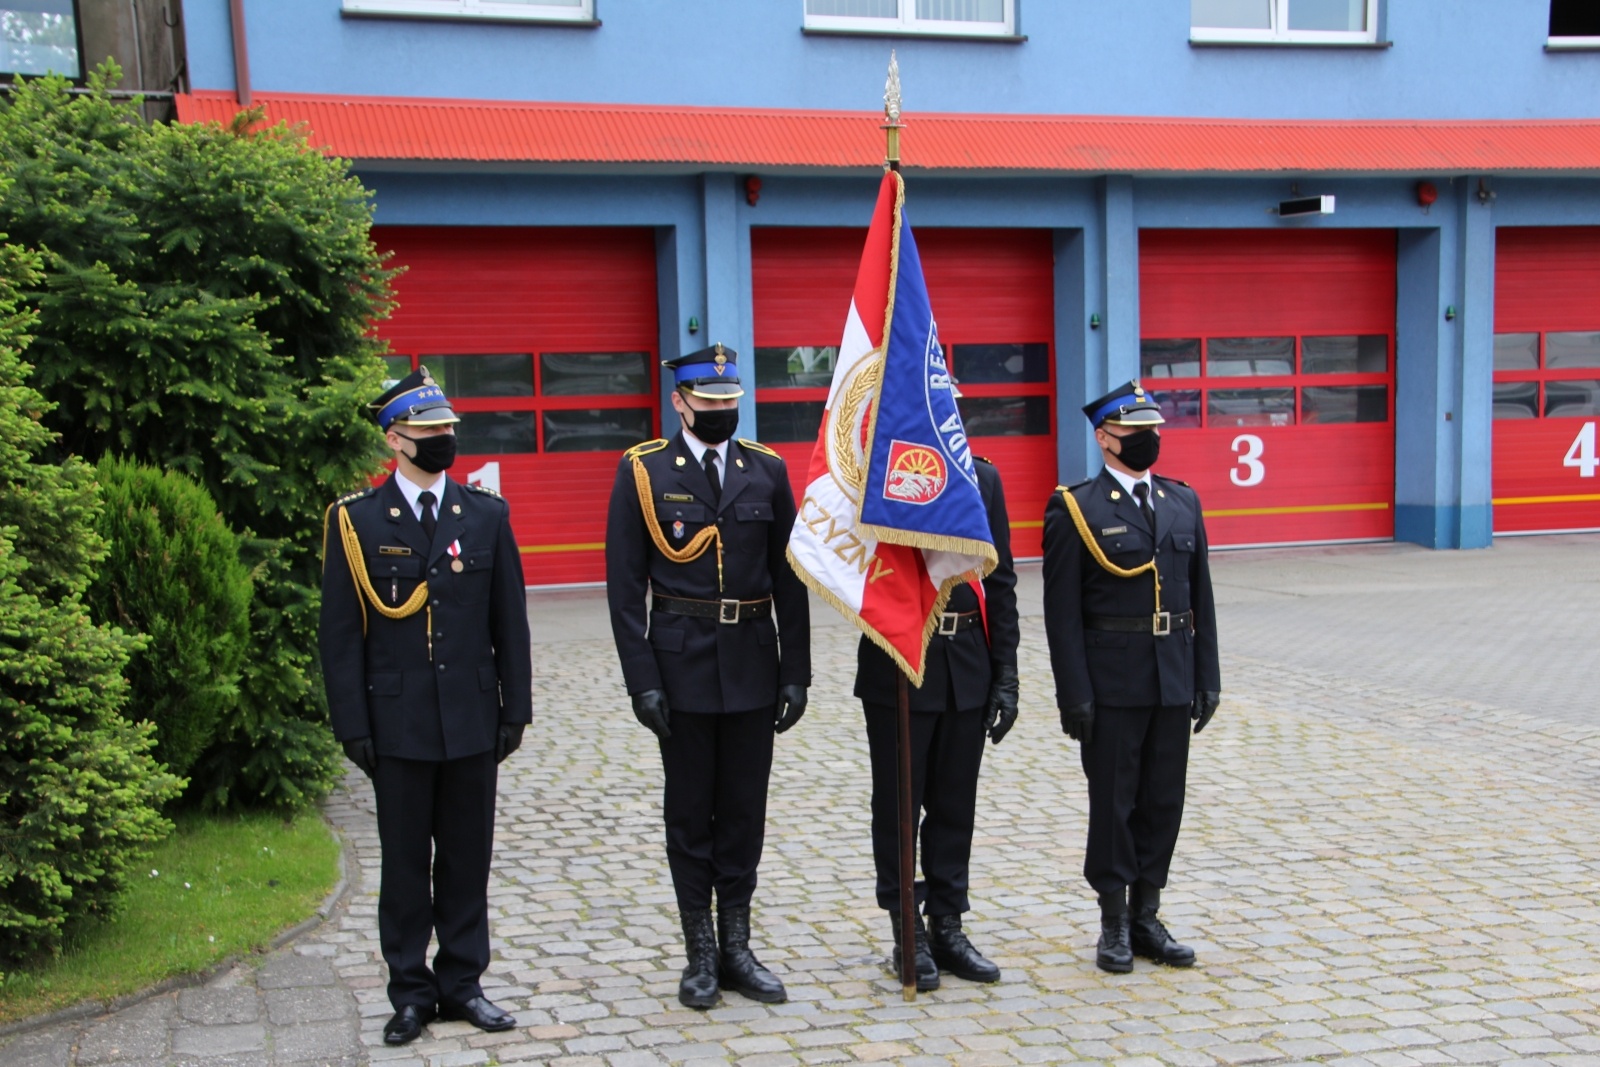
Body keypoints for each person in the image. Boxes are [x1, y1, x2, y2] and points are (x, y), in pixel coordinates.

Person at [319, 367, 532, 1045]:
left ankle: (464, 981)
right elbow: (340, 634)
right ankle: (410, 990)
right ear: (395, 437)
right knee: (407, 861)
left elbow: (511, 622)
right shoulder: (356, 521)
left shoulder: (485, 514)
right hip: (399, 721)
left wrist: (514, 708)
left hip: (470, 717)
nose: (443, 439)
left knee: (467, 857)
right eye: (428, 430)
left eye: (448, 429)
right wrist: (353, 724)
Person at [604, 343, 811, 1010]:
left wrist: (796, 670)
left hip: (752, 660)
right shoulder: (645, 471)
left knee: (744, 812)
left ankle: (738, 946)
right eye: (709, 403)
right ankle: (699, 951)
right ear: (680, 401)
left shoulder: (766, 471)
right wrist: (642, 679)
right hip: (682, 661)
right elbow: (623, 584)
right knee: (691, 813)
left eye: (730, 402)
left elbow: (790, 576)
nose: (721, 412)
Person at [1041, 379, 1220, 974]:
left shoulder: (1181, 501)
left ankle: (1148, 914)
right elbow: (1061, 612)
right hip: (1112, 681)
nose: (1147, 442)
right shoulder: (1076, 506)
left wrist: (1206, 676)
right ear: (1104, 438)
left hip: (1172, 674)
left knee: (1163, 800)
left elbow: (1201, 597)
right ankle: (1113, 920)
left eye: (1153, 433)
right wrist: (1074, 693)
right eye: (1135, 434)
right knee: (1114, 801)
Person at [853, 432, 1019, 992]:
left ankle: (948, 922)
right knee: (900, 804)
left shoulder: (983, 477)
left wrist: (1007, 674)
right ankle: (908, 927)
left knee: (955, 804)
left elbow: (1000, 580)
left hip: (967, 660)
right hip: (901, 660)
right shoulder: (876, 476)